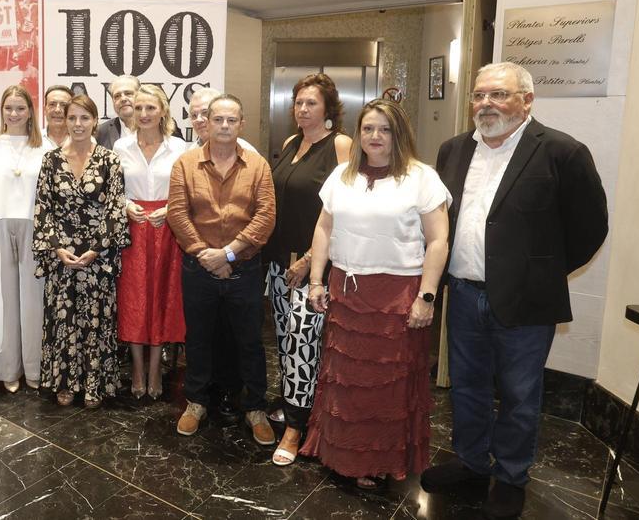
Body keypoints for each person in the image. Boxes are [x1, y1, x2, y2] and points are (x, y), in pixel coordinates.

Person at [421, 62, 608, 519]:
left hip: (526, 301)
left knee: (520, 395)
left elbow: (591, 227)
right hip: (464, 294)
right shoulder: (452, 149)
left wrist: (540, 273)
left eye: (499, 95)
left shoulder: (563, 151)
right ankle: (470, 461)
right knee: (467, 388)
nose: (486, 104)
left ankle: (510, 477)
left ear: (526, 100)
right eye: (480, 95)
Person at [299, 99, 450, 489]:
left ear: (399, 133)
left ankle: (378, 459)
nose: (375, 136)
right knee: (346, 379)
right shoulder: (341, 176)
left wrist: (427, 297)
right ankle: (341, 453)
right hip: (346, 291)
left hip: (397, 295)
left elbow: (438, 241)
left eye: (384, 129)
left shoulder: (422, 177)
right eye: (368, 128)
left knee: (386, 383)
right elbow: (323, 230)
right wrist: (316, 279)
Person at [168, 94, 276, 447]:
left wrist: (228, 254)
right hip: (198, 268)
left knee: (249, 341)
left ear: (241, 124)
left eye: (232, 120)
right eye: (218, 120)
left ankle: (255, 407)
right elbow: (178, 214)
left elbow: (265, 217)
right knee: (197, 338)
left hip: (243, 268)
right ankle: (196, 402)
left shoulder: (258, 166)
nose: (225, 126)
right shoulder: (185, 164)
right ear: (206, 123)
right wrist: (205, 254)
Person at [262, 74, 352, 465]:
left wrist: (306, 262)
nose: (302, 109)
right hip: (278, 262)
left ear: (328, 109)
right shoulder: (289, 144)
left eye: (311, 103)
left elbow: (343, 211)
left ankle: (297, 428)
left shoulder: (341, 146)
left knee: (302, 343)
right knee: (286, 341)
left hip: (312, 264)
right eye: (298, 102)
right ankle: (296, 401)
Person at [34, 94, 131, 408]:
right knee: (63, 320)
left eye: (83, 118)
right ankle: (64, 382)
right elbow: (43, 208)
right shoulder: (50, 160)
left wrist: (97, 250)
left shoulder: (109, 160)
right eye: (71, 118)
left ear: (94, 121)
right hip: (62, 256)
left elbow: (115, 209)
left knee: (95, 321)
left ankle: (94, 384)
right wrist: (57, 248)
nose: (77, 124)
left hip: (97, 258)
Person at [0, 86, 52, 393]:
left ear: (30, 111)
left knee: (34, 302)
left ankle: (34, 367)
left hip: (35, 230)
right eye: (8, 108)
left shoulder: (43, 148)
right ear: (0, 111)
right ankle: (7, 369)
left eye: (20, 108)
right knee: (2, 300)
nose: (14, 114)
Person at [113, 85, 188, 400]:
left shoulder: (180, 148)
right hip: (132, 230)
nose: (143, 114)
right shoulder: (120, 146)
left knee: (161, 298)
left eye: (150, 108)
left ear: (162, 111)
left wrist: (170, 210)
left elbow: (187, 190)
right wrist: (125, 205)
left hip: (166, 231)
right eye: (139, 108)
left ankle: (156, 367)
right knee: (133, 299)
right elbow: (112, 189)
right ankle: (137, 368)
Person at [96, 76, 140, 149]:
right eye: (117, 96)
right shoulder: (101, 132)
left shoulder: (155, 128)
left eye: (128, 93)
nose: (123, 99)